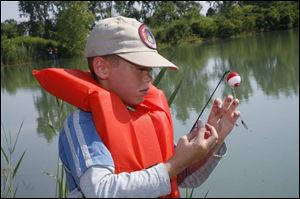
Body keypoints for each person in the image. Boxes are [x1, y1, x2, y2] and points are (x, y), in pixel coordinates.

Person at [34, 16, 240, 198]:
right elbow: (99, 191)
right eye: (140, 68)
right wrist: (173, 166)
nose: (149, 77)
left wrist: (213, 141)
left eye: (150, 69)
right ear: (102, 68)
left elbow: (186, 180)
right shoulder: (82, 124)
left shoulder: (146, 116)